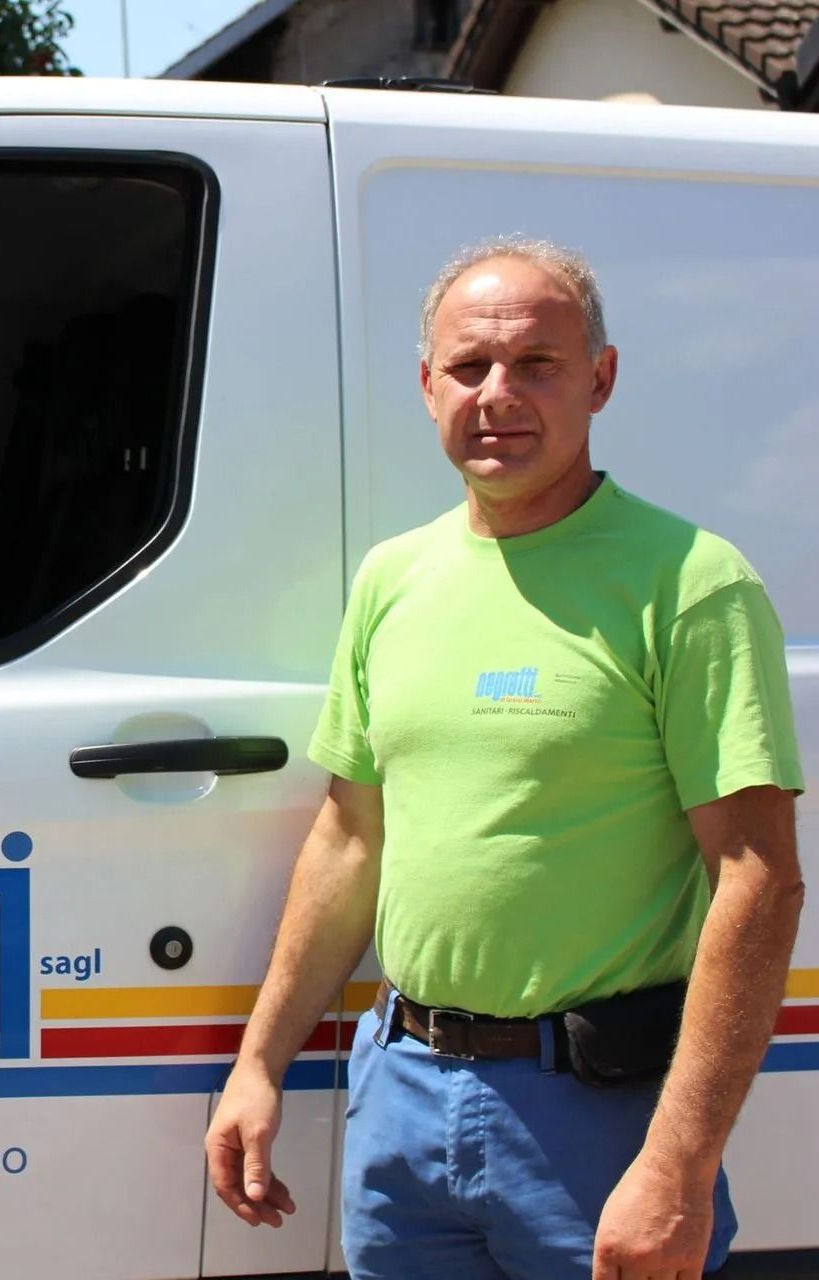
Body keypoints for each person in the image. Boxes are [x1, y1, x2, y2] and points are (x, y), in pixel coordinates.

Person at [203, 237, 805, 1279]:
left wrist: (678, 1163)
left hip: (597, 1117)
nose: (498, 394)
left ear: (600, 380)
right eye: (470, 366)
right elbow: (352, 836)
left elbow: (759, 880)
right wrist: (259, 1062)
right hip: (403, 1100)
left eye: (538, 363)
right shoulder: (394, 579)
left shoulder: (690, 583)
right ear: (427, 384)